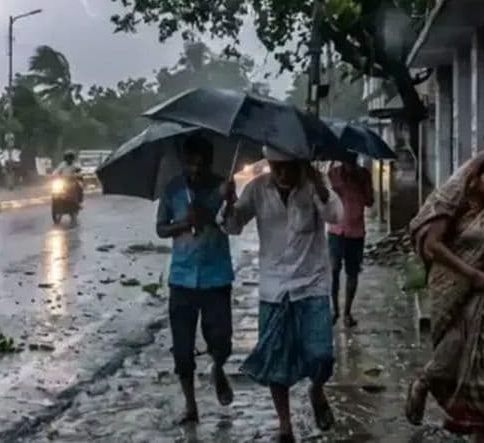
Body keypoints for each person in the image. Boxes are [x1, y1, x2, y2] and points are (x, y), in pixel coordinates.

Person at [221, 146, 343, 442]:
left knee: (322, 355)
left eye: (289, 166)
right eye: (277, 167)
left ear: (301, 163)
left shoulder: (315, 184)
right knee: (277, 363)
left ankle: (316, 389)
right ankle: (285, 425)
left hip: (311, 284)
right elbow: (233, 227)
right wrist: (228, 204)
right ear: (270, 165)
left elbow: (336, 216)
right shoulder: (258, 189)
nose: (283, 174)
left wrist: (320, 188)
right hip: (274, 289)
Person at [405, 151, 484, 440]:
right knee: (450, 354)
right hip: (453, 284)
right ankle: (422, 384)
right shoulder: (457, 201)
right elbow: (432, 245)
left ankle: (479, 427)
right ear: (476, 176)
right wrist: (471, 275)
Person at [156, 134, 234, 425]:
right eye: (191, 164)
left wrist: (225, 205)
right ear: (183, 162)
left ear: (210, 163)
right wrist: (184, 223)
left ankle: (218, 367)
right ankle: (191, 406)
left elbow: (232, 225)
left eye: (202, 165)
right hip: (182, 279)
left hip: (216, 276)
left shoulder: (222, 187)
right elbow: (161, 229)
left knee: (221, 339)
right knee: (183, 347)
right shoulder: (173, 190)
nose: (196, 170)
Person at [327, 155, 374, 327]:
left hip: (356, 232)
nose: (350, 160)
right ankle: (335, 310)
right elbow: (326, 197)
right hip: (336, 230)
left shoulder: (364, 175)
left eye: (352, 157)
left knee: (352, 272)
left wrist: (360, 186)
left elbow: (370, 201)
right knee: (333, 270)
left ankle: (347, 312)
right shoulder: (333, 173)